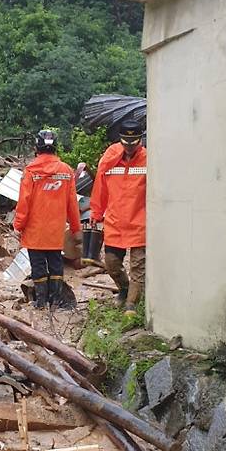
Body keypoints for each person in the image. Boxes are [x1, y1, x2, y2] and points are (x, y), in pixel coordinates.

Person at [14, 129, 82, 309]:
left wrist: (18, 225)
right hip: (55, 230)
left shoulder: (31, 171)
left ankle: (41, 302)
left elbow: (24, 203)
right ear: (56, 147)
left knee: (38, 266)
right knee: (55, 264)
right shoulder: (66, 171)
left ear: (36, 147)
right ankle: (56, 300)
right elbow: (72, 205)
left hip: (35, 230)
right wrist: (76, 229)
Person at [90, 119, 146, 313]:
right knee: (112, 263)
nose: (130, 147)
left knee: (138, 267)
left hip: (140, 222)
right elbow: (100, 187)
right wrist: (96, 212)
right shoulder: (110, 159)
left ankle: (132, 304)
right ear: (120, 140)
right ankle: (124, 289)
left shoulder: (149, 159)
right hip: (115, 221)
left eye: (134, 142)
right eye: (125, 142)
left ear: (140, 140)